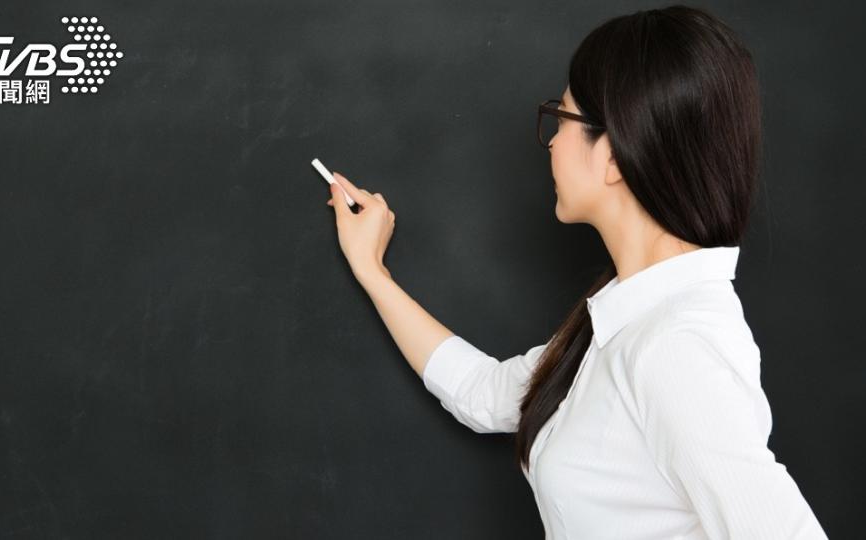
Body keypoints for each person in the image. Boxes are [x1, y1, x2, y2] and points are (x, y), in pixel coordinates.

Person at [324, 4, 829, 539]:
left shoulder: (676, 345)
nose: (551, 142)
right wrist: (371, 270)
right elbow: (485, 394)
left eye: (561, 119)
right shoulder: (623, 317)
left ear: (612, 155)